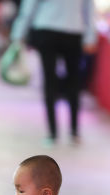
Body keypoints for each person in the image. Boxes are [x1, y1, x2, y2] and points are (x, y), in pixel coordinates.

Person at [10, 0, 97, 147]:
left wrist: (18, 34)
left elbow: (28, 8)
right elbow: (89, 10)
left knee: (51, 82)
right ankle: (72, 132)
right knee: (72, 83)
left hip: (49, 30)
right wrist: (90, 37)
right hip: (70, 31)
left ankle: (54, 133)